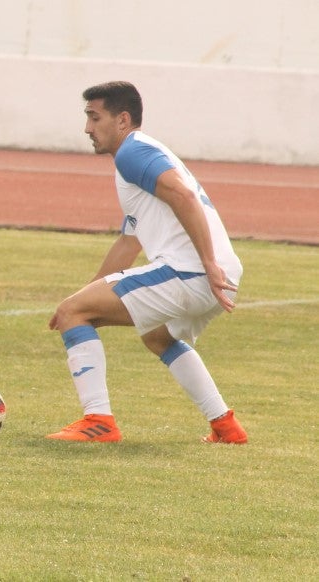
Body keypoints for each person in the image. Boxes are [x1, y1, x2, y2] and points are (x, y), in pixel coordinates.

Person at [46, 81, 245, 443]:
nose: (87, 128)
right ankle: (225, 426)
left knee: (75, 313)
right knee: (156, 337)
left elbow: (183, 196)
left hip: (193, 271)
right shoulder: (139, 157)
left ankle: (99, 422)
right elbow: (128, 243)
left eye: (94, 117)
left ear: (122, 119)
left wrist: (207, 263)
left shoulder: (132, 153)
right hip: (217, 273)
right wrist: (82, 297)